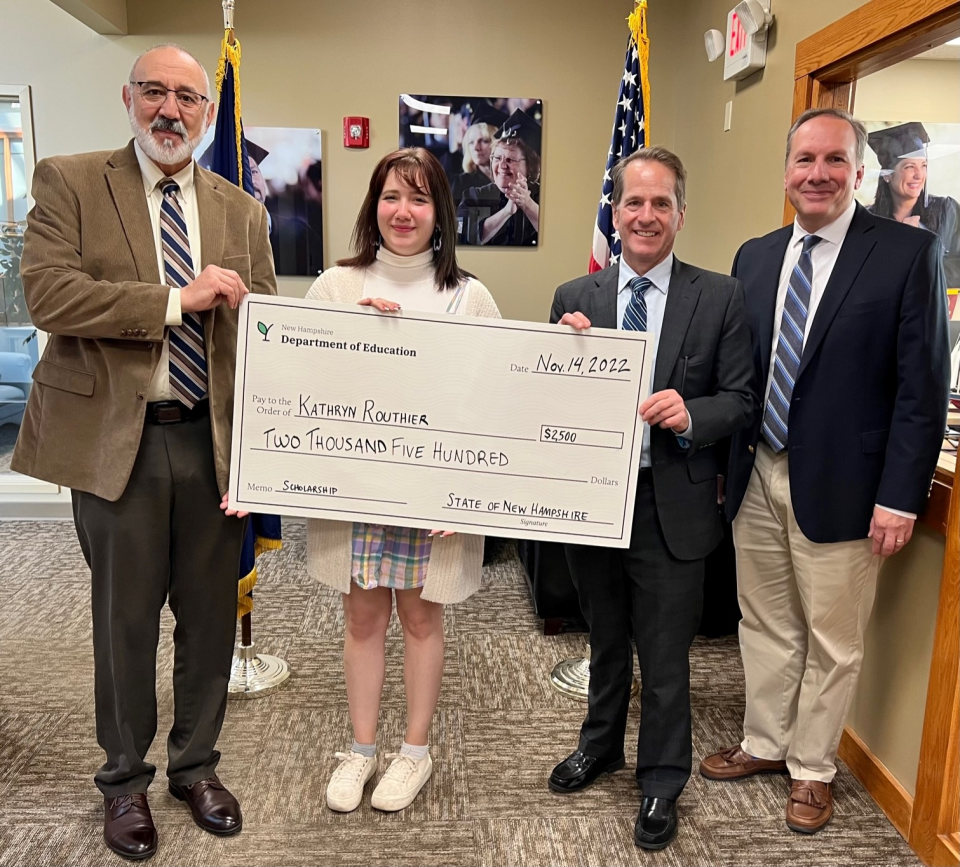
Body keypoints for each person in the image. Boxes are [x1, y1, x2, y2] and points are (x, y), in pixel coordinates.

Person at [12, 44, 277, 861]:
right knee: (124, 622)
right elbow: (48, 295)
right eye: (155, 92)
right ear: (128, 97)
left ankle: (194, 766)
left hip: (211, 442)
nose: (171, 110)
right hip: (117, 444)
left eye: (188, 98)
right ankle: (123, 779)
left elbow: (266, 322)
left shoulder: (243, 209)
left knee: (208, 617)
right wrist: (175, 300)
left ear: (206, 111)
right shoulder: (70, 179)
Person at [701, 108, 950, 834]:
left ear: (859, 171)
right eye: (805, 159)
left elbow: (921, 388)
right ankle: (765, 742)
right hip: (757, 472)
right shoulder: (754, 254)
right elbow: (738, 373)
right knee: (765, 621)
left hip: (848, 483)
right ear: (787, 171)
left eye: (834, 160)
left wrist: (900, 496)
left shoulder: (908, 252)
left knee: (834, 640)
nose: (818, 173)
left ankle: (812, 768)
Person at [547, 147, 756, 851]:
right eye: (633, 203)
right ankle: (600, 744)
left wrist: (693, 414)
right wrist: (561, 356)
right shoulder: (575, 298)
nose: (645, 215)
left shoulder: (720, 296)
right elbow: (543, 401)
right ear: (615, 212)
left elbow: (740, 399)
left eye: (660, 203)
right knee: (605, 639)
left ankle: (662, 776)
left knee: (665, 656)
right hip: (593, 502)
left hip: (672, 506)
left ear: (680, 215)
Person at [304, 147, 500, 814]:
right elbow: (301, 387)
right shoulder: (336, 286)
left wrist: (467, 490)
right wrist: (354, 341)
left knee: (420, 615)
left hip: (431, 496)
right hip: (358, 488)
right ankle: (361, 748)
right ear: (373, 205)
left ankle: (413, 750)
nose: (404, 211)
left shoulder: (468, 296)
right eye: (391, 196)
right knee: (361, 615)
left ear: (439, 211)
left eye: (419, 198)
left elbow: (494, 398)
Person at [866, 121, 960, 288]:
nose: (919, 175)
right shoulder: (868, 220)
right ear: (888, 175)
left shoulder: (946, 211)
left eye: (923, 166)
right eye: (909, 167)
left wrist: (922, 240)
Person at [457, 108, 541, 246]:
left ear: (530, 166)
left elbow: (555, 237)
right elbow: (465, 238)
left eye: (510, 160)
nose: (502, 165)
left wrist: (527, 204)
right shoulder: (474, 197)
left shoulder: (543, 198)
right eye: (497, 158)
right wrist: (507, 211)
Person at [246, 139, 324, 277]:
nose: (251, 181)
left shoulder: (299, 232)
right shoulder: (216, 242)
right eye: (241, 176)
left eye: (253, 171)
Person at [450, 101, 507, 202]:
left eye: (484, 141)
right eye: (471, 142)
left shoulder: (509, 180)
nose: (476, 148)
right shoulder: (461, 183)